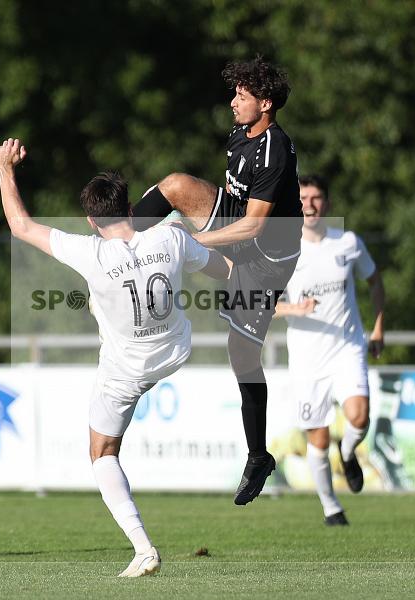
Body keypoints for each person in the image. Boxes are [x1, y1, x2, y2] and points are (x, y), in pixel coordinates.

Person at [0, 138, 231, 575]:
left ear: (90, 218)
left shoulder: (91, 251)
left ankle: (144, 549)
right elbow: (223, 269)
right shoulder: (170, 236)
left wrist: (4, 167)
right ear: (129, 208)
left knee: (102, 452)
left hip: (127, 368)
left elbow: (20, 225)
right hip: (176, 348)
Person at [131, 57, 303, 505]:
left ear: (265, 104)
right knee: (176, 185)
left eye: (241, 97)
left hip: (266, 259)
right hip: (239, 227)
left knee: (242, 359)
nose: (232, 103)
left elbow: (254, 227)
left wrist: (196, 239)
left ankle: (258, 455)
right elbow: (233, 200)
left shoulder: (275, 149)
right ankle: (119, 241)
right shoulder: (240, 135)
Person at [275, 175, 385, 525]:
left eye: (317, 197)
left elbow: (375, 281)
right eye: (302, 197)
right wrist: (295, 309)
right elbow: (261, 304)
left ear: (328, 203)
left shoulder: (348, 242)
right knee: (317, 437)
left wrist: (379, 328)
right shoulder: (282, 250)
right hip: (307, 357)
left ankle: (349, 450)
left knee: (359, 416)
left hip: (347, 346)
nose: (309, 204)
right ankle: (331, 508)